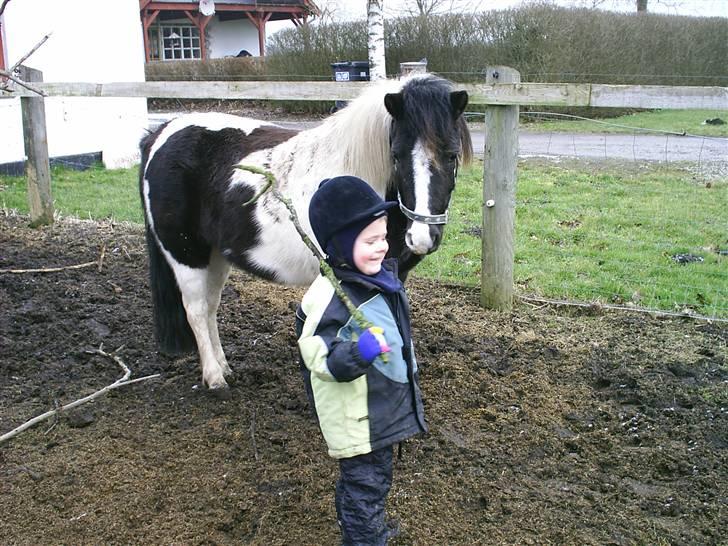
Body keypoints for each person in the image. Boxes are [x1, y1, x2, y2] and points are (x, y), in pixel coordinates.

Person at [296, 175, 428, 545]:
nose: (381, 248)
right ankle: (365, 537)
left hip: (380, 407)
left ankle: (361, 530)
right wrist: (359, 351)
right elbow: (318, 356)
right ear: (339, 244)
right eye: (369, 241)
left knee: (368, 484)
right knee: (365, 486)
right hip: (359, 419)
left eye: (383, 238)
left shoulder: (377, 280)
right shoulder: (330, 297)